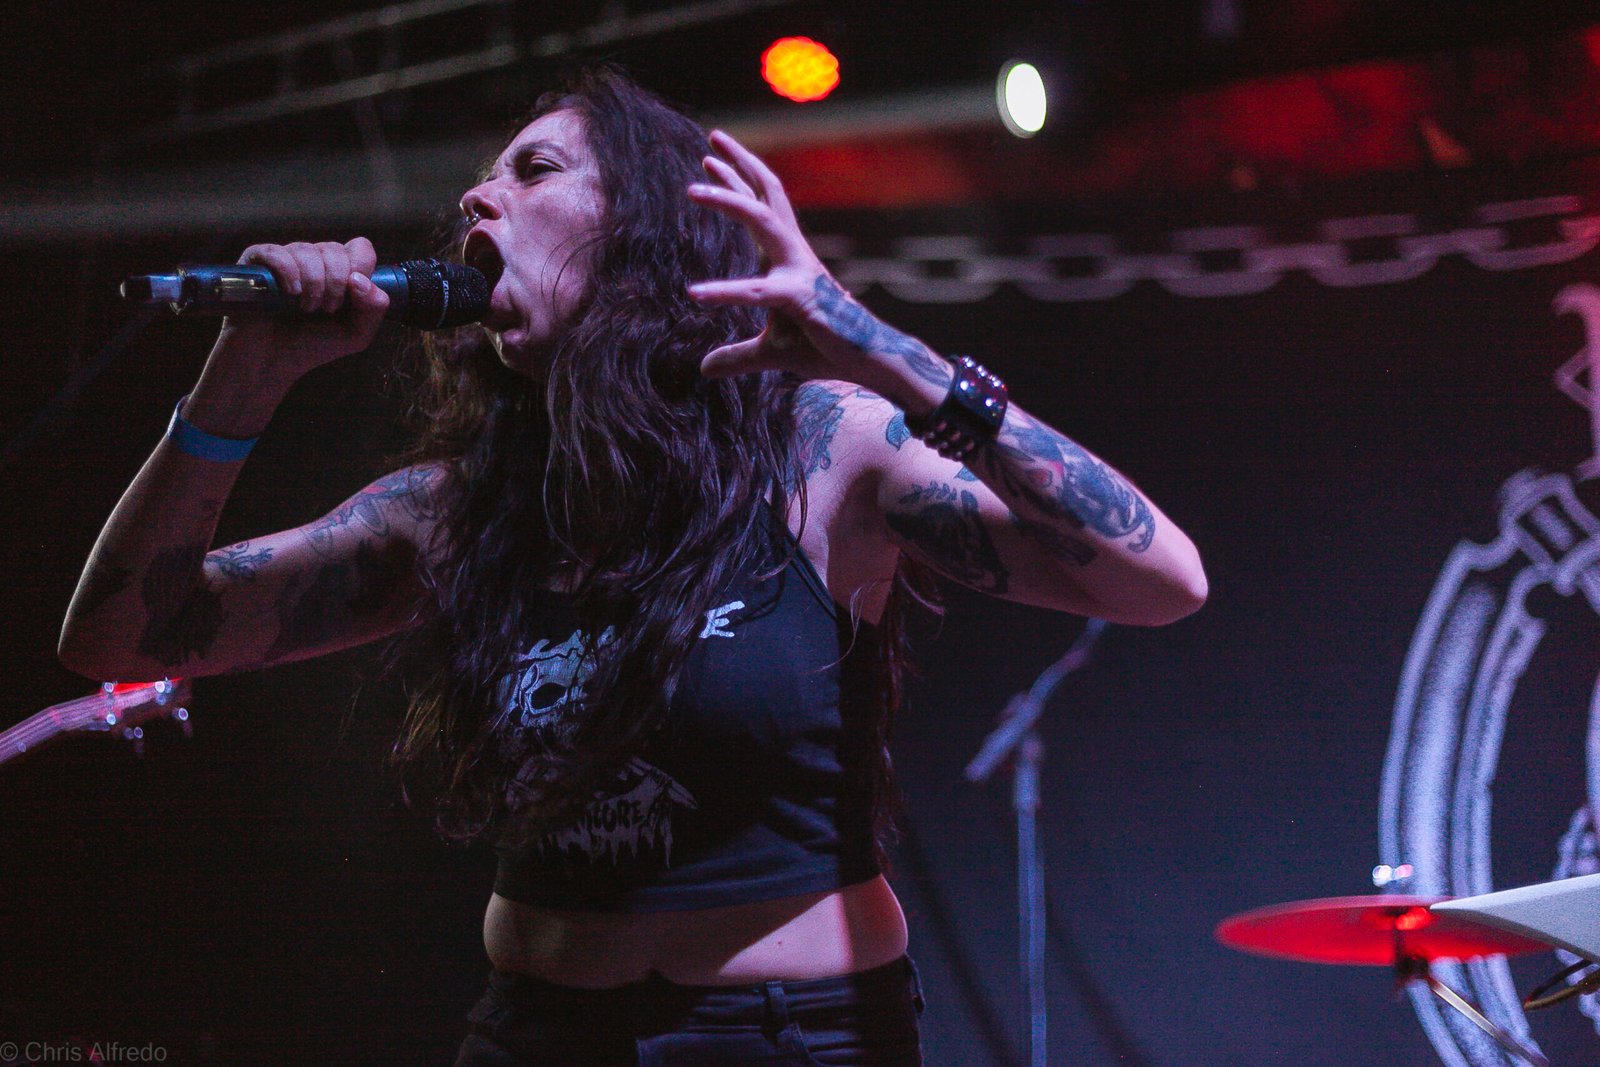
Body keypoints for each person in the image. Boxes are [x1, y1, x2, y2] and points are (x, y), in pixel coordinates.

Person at [57, 68, 1205, 1066]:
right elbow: (118, 636)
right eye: (482, 180)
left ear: (646, 231)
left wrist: (883, 349)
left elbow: (1159, 579)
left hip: (789, 1037)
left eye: (535, 169)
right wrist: (244, 377)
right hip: (537, 1031)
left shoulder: (818, 450)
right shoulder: (455, 511)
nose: (477, 197)